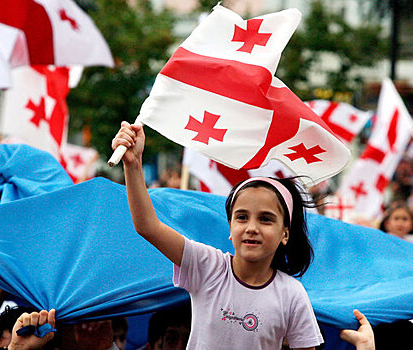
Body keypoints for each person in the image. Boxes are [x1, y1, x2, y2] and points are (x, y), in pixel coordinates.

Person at [112, 122, 324, 349]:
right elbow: (147, 226)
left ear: (285, 233)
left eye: (265, 219)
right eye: (242, 217)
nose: (251, 227)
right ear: (230, 229)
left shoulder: (292, 295)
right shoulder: (207, 266)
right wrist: (133, 164)